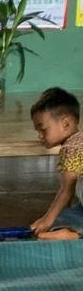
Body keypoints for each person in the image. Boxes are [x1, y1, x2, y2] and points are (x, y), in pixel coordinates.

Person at [30, 88, 83, 239]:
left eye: (43, 129)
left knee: (60, 215)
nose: (39, 136)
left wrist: (47, 219)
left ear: (65, 124)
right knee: (75, 211)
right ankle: (72, 232)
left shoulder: (71, 149)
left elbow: (67, 191)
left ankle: (71, 232)